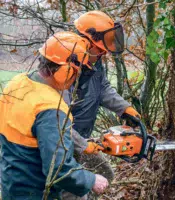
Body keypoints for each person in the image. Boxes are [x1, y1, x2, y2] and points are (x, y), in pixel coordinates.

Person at [0, 32, 109, 200]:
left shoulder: (17, 83)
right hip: (36, 192)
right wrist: (91, 180)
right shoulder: (50, 108)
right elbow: (58, 168)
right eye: (76, 72)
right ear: (64, 70)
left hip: (11, 184)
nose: (76, 77)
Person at [62, 11, 142, 199]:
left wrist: (124, 108)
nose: (103, 53)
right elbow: (58, 123)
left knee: (105, 174)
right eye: (100, 49)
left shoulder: (94, 61)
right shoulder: (63, 67)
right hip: (63, 142)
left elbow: (102, 87)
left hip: (81, 136)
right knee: (72, 190)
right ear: (85, 41)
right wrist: (81, 145)